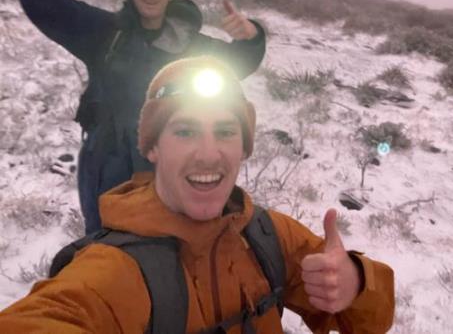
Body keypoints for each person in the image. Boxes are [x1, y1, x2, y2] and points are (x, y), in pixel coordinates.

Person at [0, 56, 395, 333]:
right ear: (152, 148)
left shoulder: (268, 235)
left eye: (225, 131)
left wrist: (356, 281)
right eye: (185, 131)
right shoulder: (115, 270)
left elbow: (371, 321)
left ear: (244, 148)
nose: (208, 153)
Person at [16, 0, 266, 234]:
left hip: (171, 162)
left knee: (171, 249)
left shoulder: (190, 46)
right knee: (108, 250)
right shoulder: (104, 33)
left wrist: (251, 36)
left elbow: (241, 61)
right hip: (107, 161)